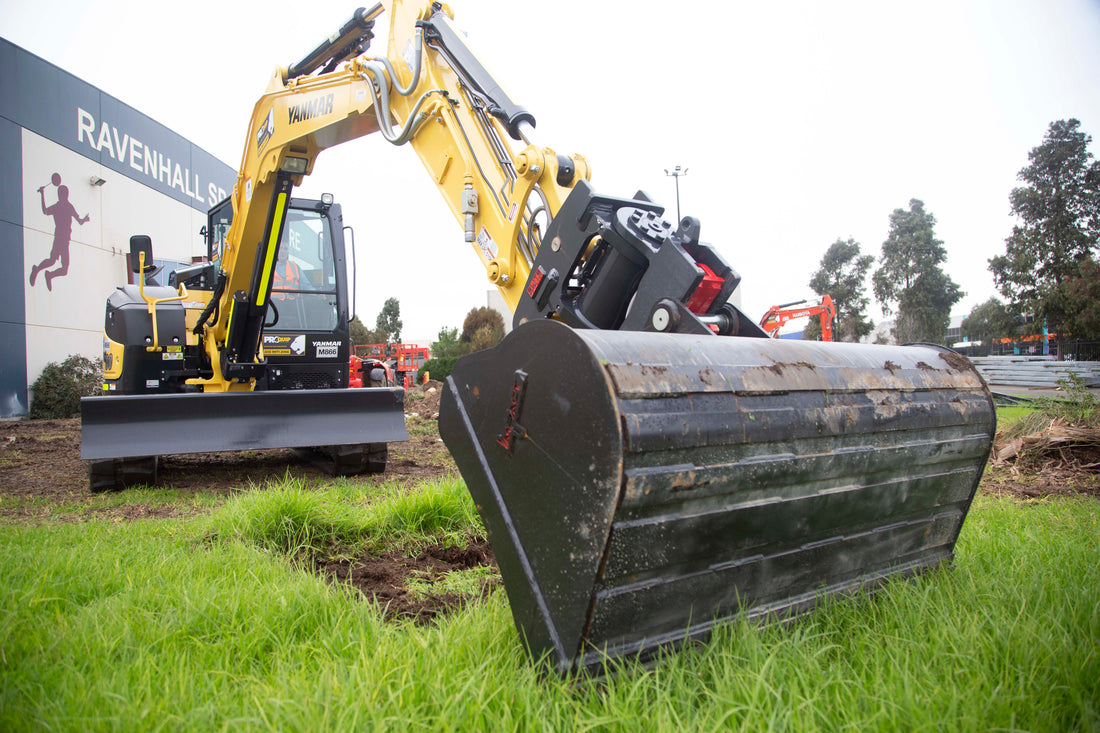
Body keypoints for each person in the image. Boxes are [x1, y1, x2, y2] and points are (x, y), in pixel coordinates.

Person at [29, 183, 90, 291]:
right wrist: (42, 195)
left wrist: (84, 220)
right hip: (59, 238)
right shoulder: (59, 206)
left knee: (64, 269)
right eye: (64, 193)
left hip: (65, 240)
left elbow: (79, 221)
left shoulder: (68, 206)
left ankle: (48, 275)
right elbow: (45, 211)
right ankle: (37, 270)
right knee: (53, 261)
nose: (65, 195)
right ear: (61, 194)